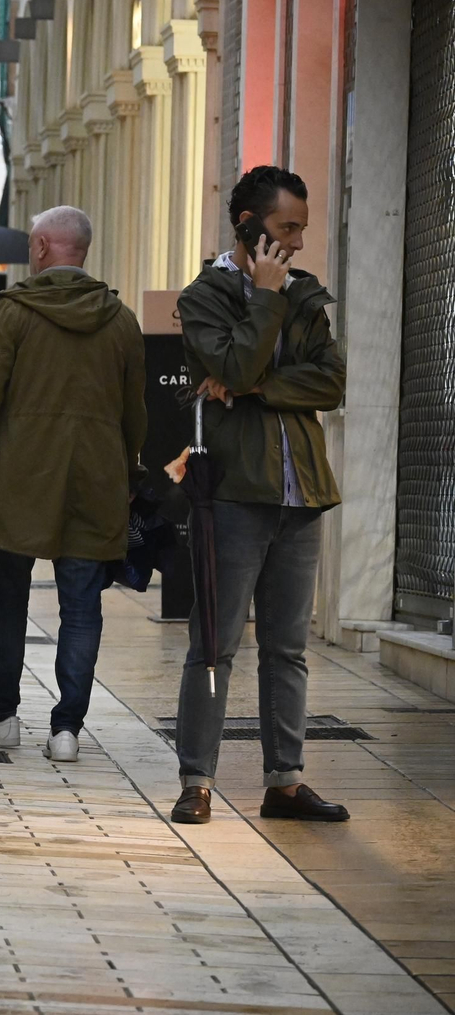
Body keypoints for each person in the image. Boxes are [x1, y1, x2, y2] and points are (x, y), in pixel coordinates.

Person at [169, 166, 348, 825]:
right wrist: (265, 305)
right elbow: (235, 362)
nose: (298, 242)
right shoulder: (205, 297)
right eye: (287, 228)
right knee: (214, 642)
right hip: (236, 493)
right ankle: (197, 780)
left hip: (302, 494)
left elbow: (329, 383)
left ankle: (286, 782)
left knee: (288, 646)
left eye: (301, 227)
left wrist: (253, 389)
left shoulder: (305, 295)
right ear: (250, 229)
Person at [0, 206, 145, 763]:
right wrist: (129, 473)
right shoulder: (121, 321)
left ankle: (2, 717)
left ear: (39, 249)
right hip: (95, 481)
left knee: (7, 595)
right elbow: (136, 414)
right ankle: (67, 731)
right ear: (82, 250)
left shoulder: (12, 314)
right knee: (81, 604)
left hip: (17, 480)